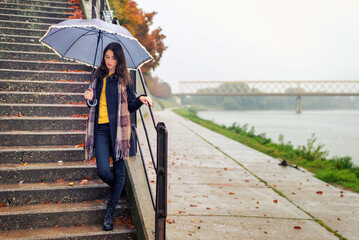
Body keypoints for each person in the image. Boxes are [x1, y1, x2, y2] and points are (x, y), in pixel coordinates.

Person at [83, 42, 152, 231]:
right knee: (104, 171)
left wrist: (140, 100)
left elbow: (129, 105)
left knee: (119, 171)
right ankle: (119, 188)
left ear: (119, 59)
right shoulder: (97, 77)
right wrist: (89, 100)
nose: (110, 61)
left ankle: (109, 213)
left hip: (119, 132)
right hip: (101, 130)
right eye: (107, 57)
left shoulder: (123, 79)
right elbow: (94, 104)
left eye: (113, 57)